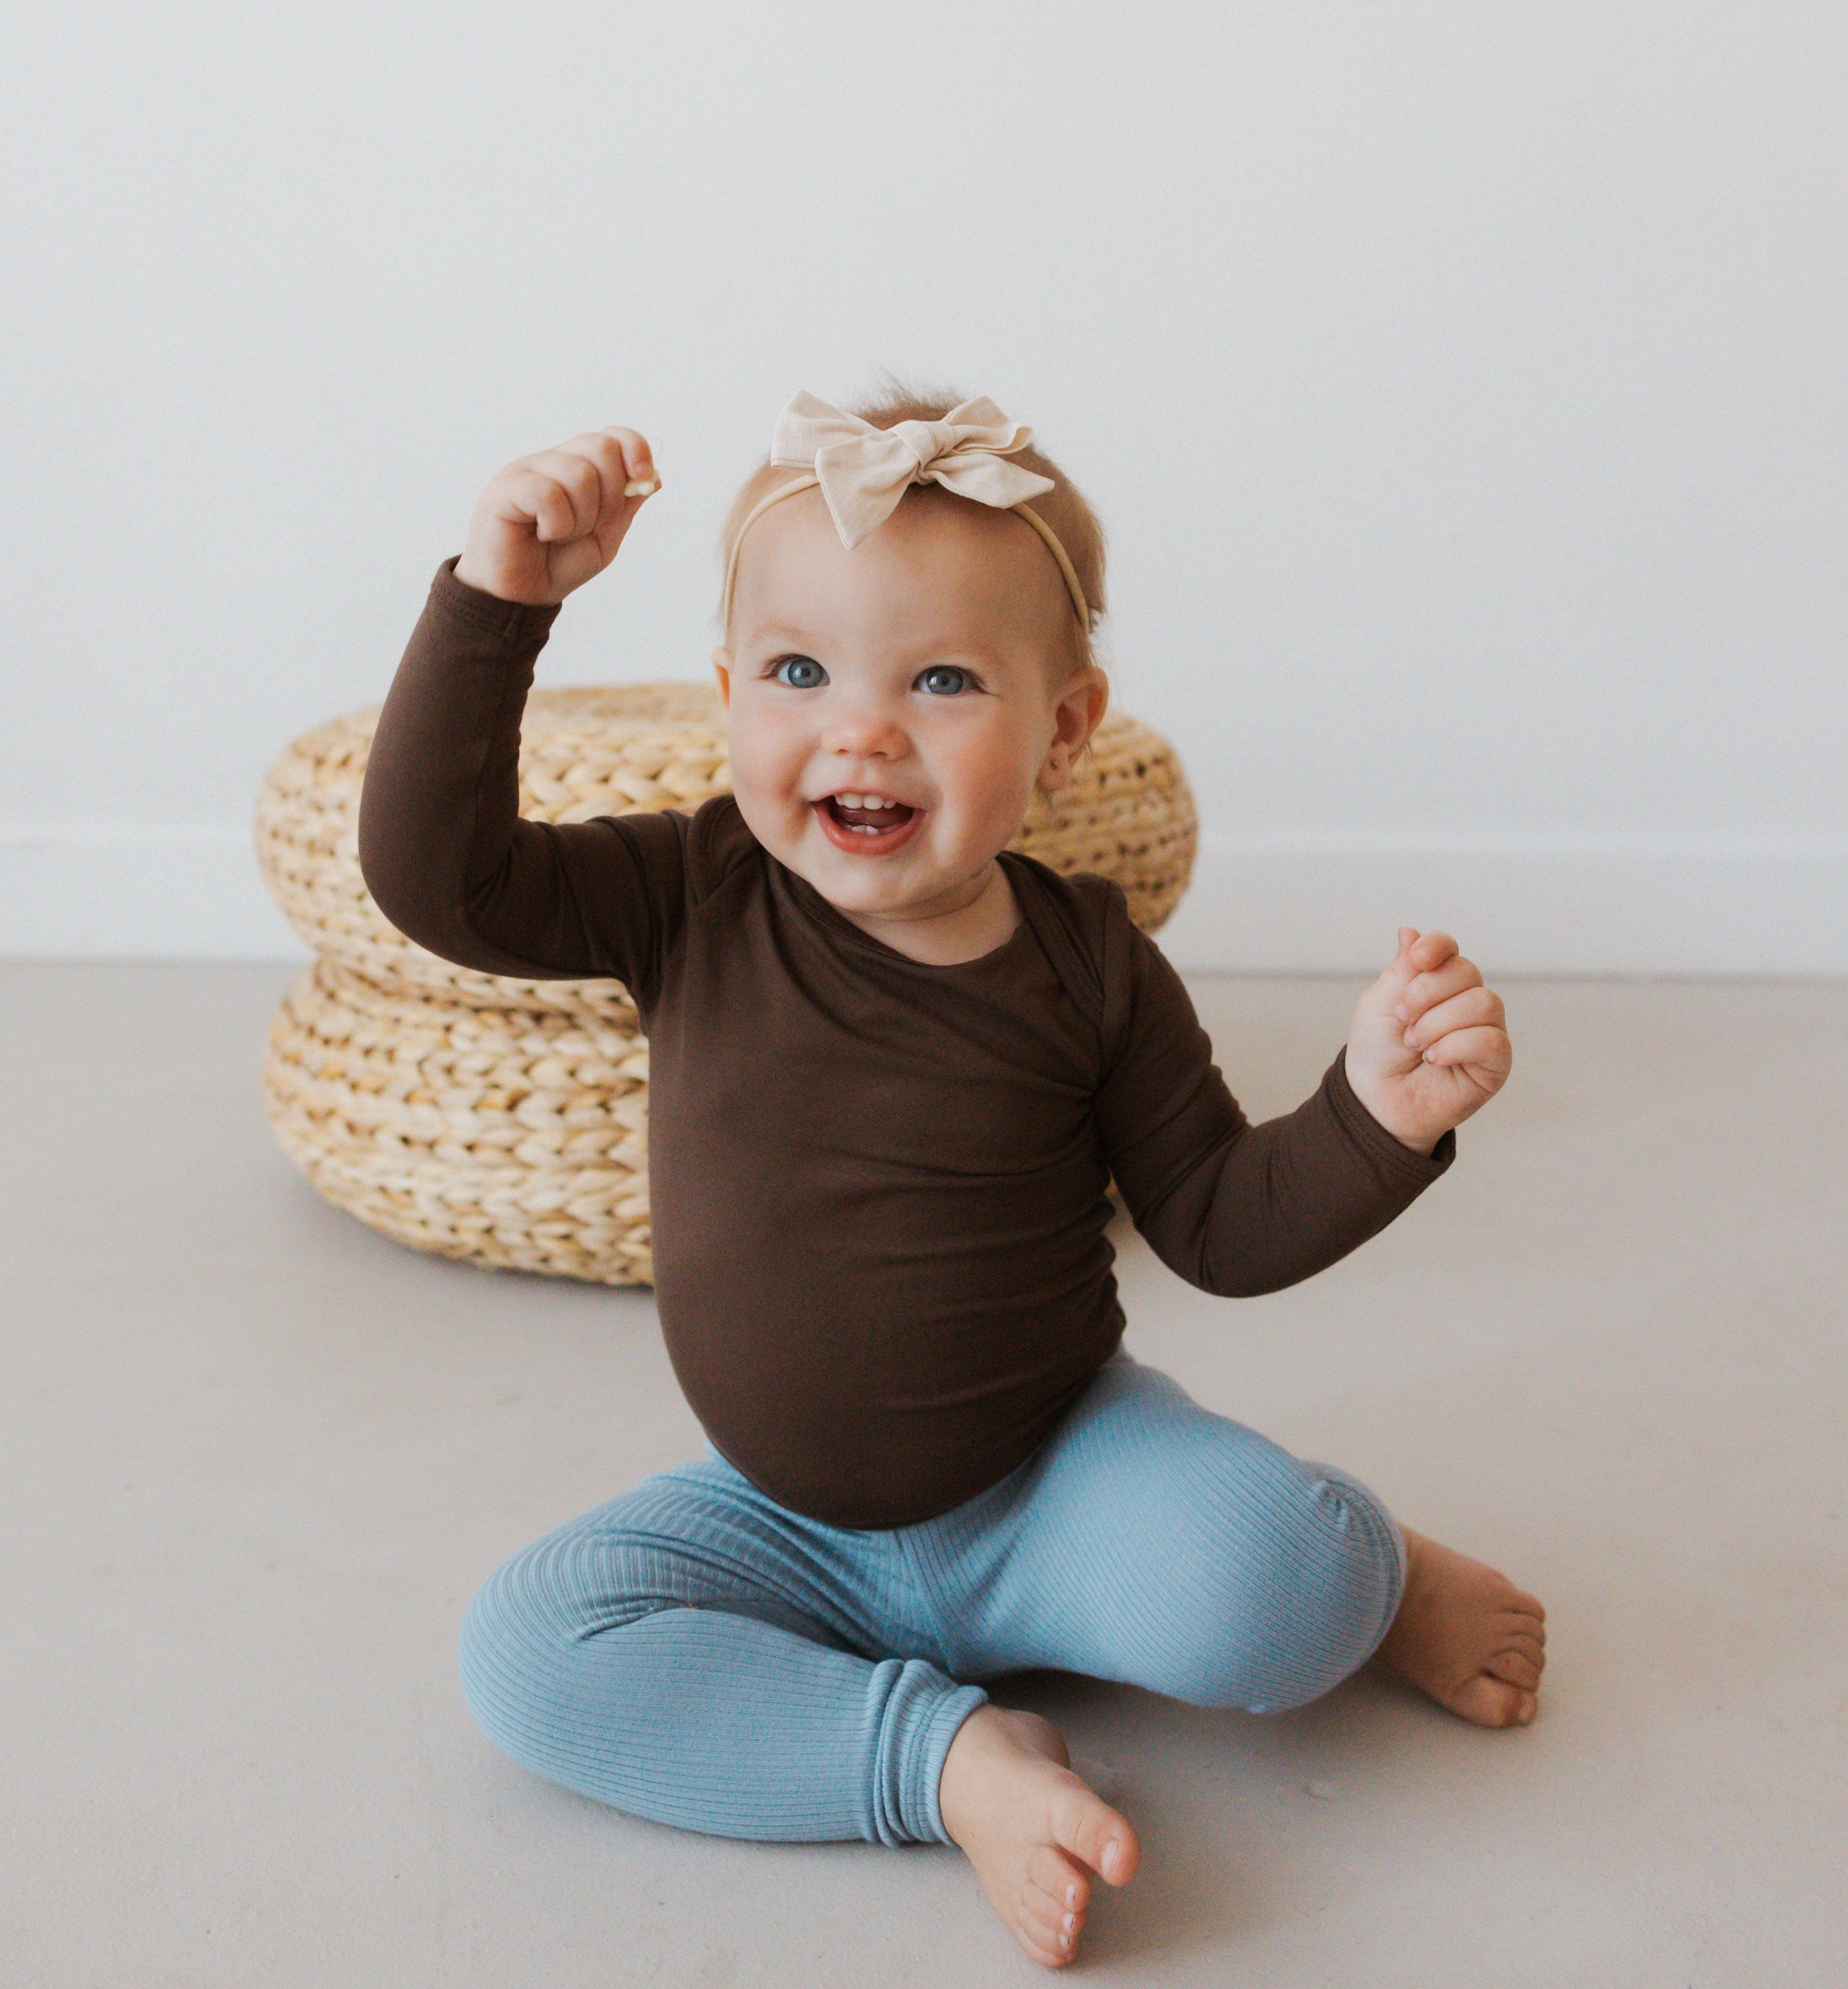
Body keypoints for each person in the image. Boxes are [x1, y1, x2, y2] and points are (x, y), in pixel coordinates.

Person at [357, 391, 1546, 1969]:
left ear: (1063, 729)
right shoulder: (688, 891)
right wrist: (500, 604)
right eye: (798, 672)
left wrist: (1376, 1113)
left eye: (941, 680)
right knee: (524, 1652)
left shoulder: (1091, 970)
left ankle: (1387, 1582)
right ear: (727, 696)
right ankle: (946, 1762)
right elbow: (440, 880)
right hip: (782, 1524)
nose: (860, 729)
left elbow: (1220, 1226)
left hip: (1051, 1482)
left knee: (1280, 1594)